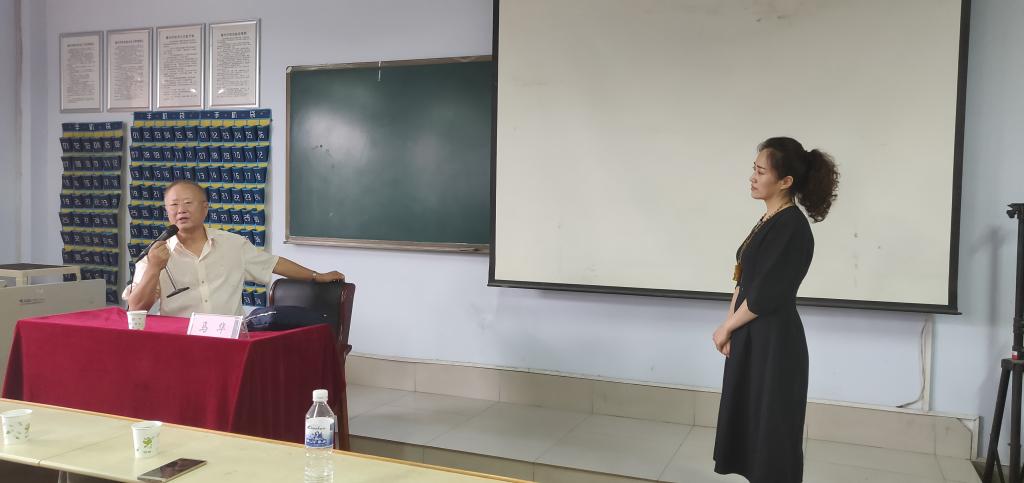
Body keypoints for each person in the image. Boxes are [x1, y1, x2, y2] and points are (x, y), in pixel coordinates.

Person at [712, 137, 839, 483]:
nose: (752, 177)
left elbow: (766, 294)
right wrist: (730, 325)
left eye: (760, 171)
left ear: (785, 181)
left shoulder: (791, 226)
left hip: (774, 340)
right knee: (749, 423)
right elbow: (743, 279)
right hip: (750, 332)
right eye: (753, 170)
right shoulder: (768, 220)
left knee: (772, 429)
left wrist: (727, 328)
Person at [123, 179, 344, 316]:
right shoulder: (156, 254)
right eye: (173, 205)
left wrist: (316, 276)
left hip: (230, 339)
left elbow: (274, 264)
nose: (181, 210)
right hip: (181, 342)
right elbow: (136, 308)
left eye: (188, 203)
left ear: (205, 208)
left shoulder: (232, 244)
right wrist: (154, 268)